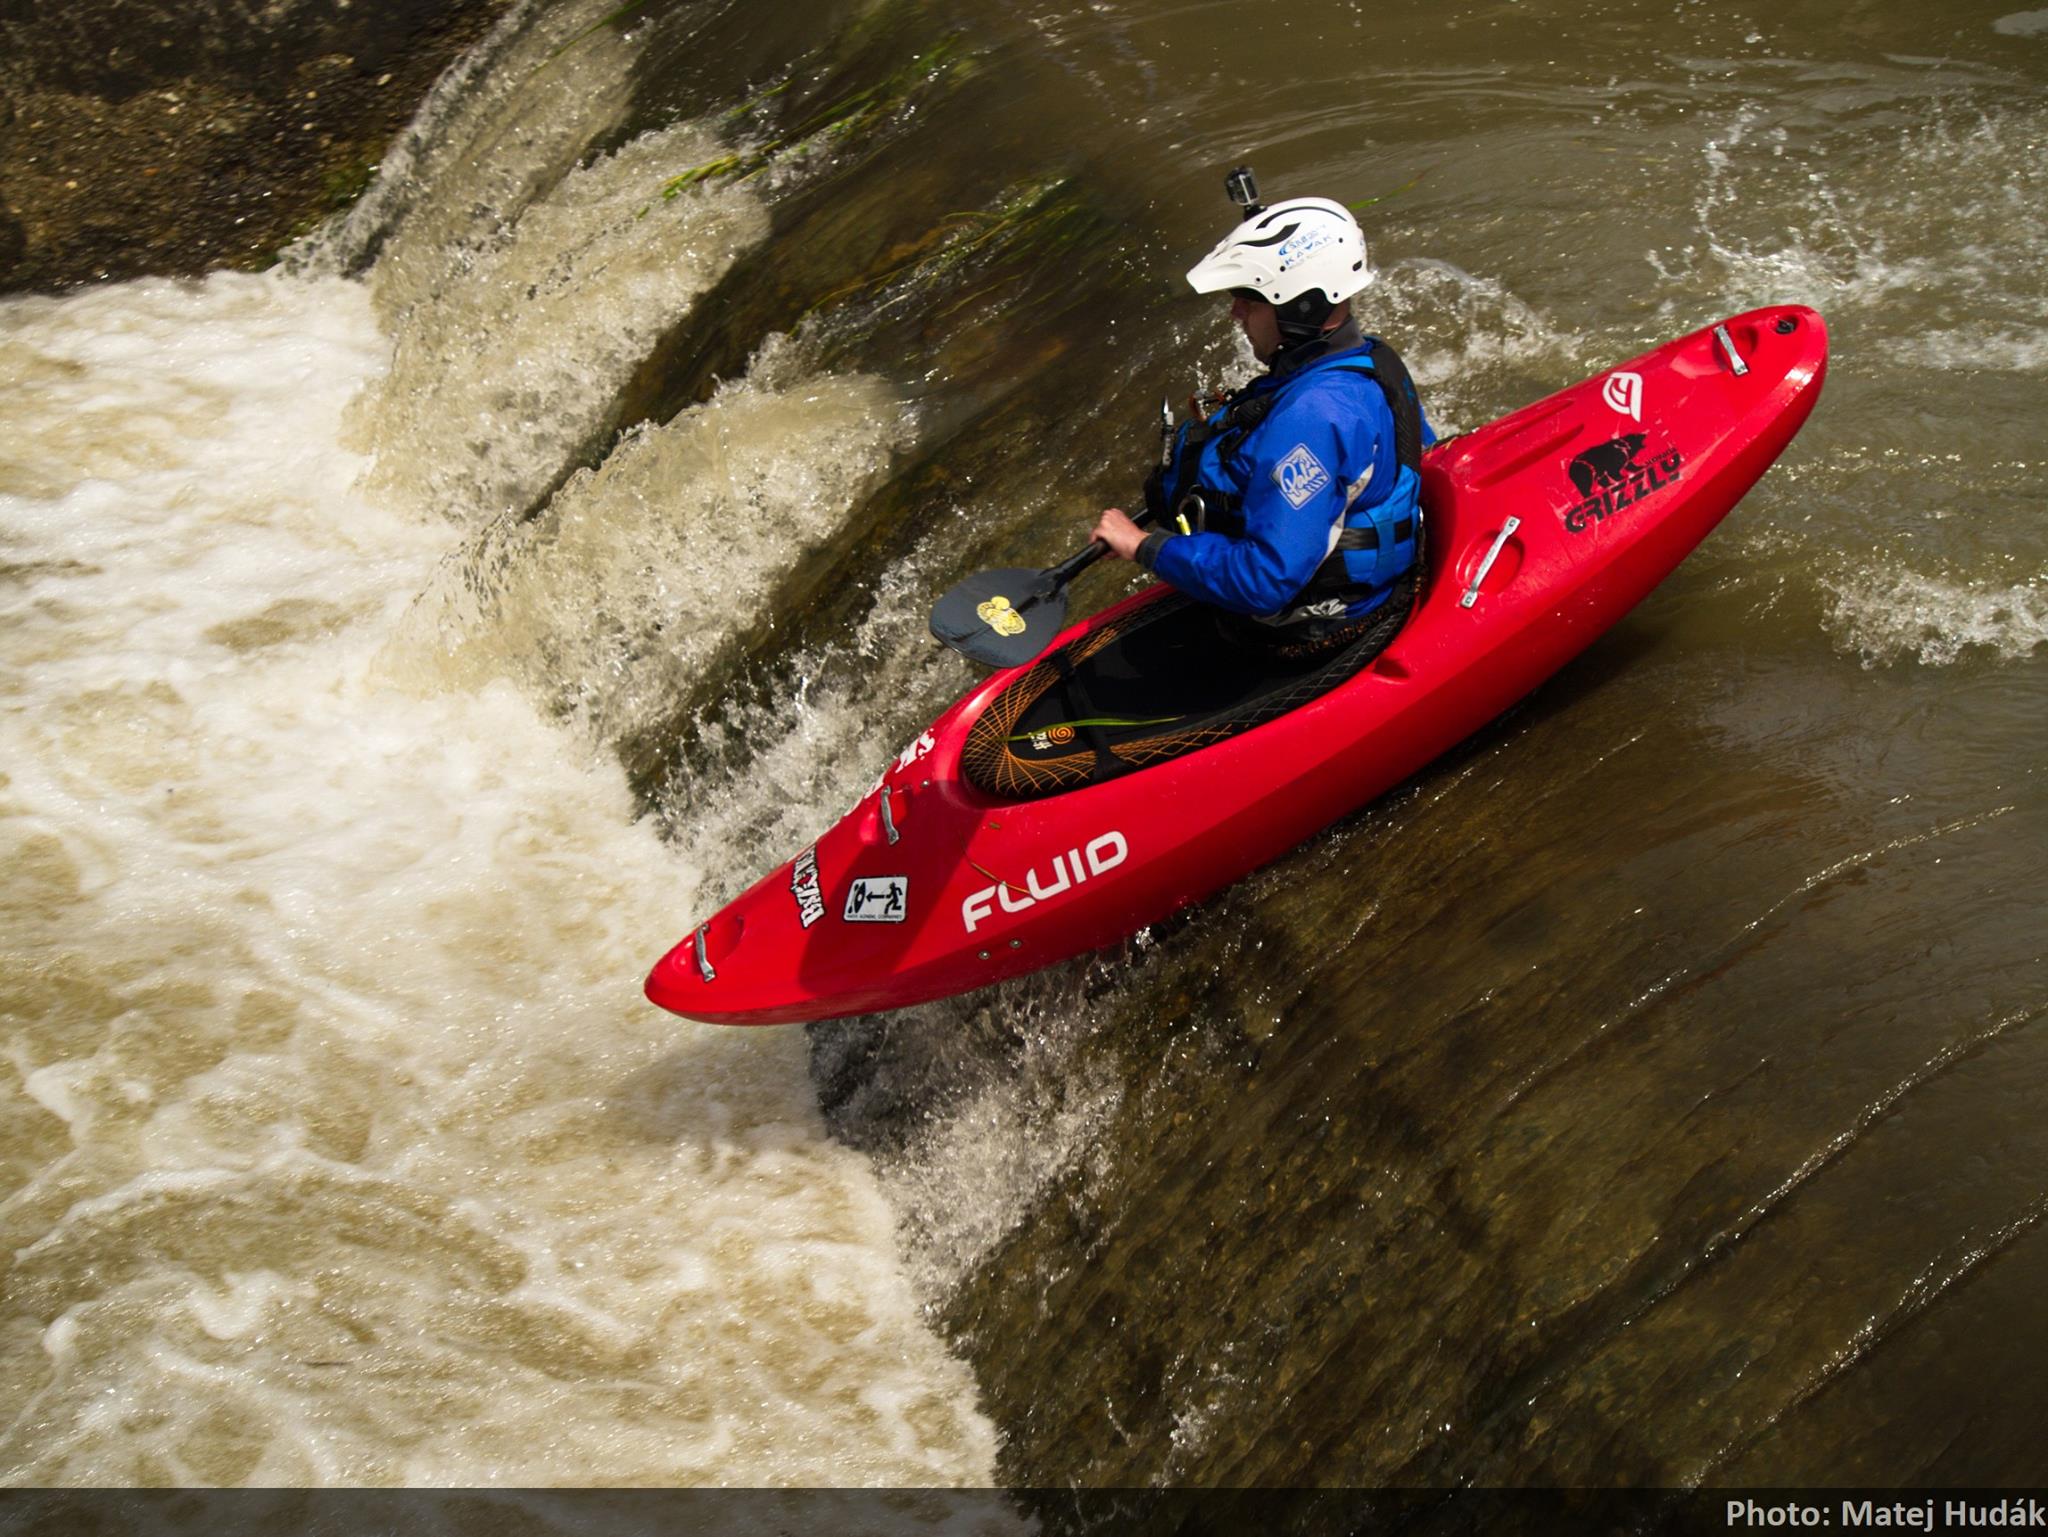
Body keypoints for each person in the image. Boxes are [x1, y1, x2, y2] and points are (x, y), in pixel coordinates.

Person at [1092, 179, 1435, 657]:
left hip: (1310, 627)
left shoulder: (1312, 417)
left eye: (1248, 300)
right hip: (1343, 578)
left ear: (1301, 306)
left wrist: (1143, 547)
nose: (1235, 312)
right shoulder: (1372, 361)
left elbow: (1264, 581)